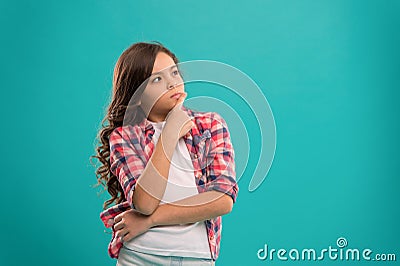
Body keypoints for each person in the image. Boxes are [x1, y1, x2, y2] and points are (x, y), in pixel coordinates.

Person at [93, 41, 239, 265]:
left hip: (196, 257)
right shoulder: (125, 137)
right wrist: (170, 133)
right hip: (140, 256)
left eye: (174, 73)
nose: (172, 84)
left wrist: (150, 221)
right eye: (158, 79)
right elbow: (145, 203)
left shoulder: (210, 124)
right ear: (138, 94)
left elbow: (222, 200)